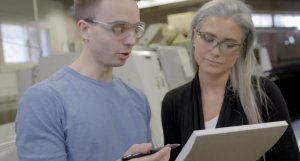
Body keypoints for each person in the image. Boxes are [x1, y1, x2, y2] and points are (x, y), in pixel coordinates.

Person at [15, 0, 171, 160]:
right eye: (119, 29)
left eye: (135, 29)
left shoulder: (137, 99)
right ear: (85, 30)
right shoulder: (44, 101)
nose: (132, 41)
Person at [161, 0, 300, 160]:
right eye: (207, 38)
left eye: (229, 44)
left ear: (242, 48)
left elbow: (289, 157)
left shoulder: (263, 92)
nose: (215, 51)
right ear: (194, 36)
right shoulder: (173, 102)